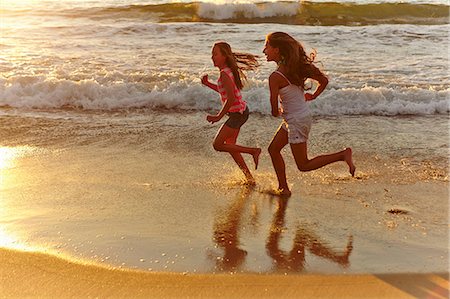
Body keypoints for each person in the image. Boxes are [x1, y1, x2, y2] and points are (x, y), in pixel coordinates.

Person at [263, 32, 355, 196]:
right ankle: (283, 188)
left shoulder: (275, 77)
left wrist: (276, 111)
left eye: (267, 46)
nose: (264, 51)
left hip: (296, 120)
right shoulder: (295, 68)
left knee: (303, 165)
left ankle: (342, 155)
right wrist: (313, 95)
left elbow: (273, 109)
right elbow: (324, 80)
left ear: (277, 50)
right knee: (273, 149)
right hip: (298, 117)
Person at [201, 41, 261, 184]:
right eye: (212, 54)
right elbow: (225, 92)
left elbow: (231, 98)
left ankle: (253, 151)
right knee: (231, 146)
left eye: (215, 54)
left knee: (218, 145)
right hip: (240, 112)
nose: (212, 57)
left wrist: (217, 117)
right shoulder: (226, 72)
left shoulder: (224, 74)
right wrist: (208, 84)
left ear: (225, 56)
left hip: (237, 114)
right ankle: (249, 178)